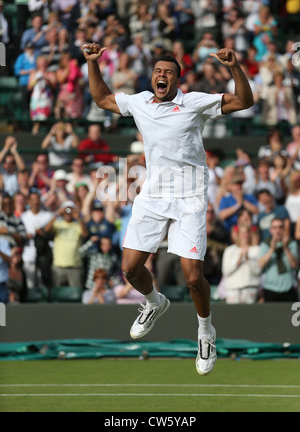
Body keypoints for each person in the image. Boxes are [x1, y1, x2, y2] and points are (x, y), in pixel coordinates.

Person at [83, 42, 254, 376]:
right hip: (153, 195)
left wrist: (235, 67)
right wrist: (92, 63)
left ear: (178, 81)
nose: (161, 76)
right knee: (130, 270)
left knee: (193, 277)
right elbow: (102, 99)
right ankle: (154, 302)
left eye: (168, 73)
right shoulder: (140, 102)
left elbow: (245, 101)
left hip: (189, 197)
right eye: (158, 71)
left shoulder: (193, 102)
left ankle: (205, 333)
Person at [44, 201, 88, 288]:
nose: (68, 213)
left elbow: (85, 234)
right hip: (59, 266)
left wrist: (78, 217)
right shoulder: (58, 224)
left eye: (71, 210)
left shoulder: (78, 225)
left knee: (76, 294)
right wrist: (57, 214)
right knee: (57, 294)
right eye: (66, 210)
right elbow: (46, 229)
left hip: (75, 266)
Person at [259, 217, 299, 302]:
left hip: (288, 288)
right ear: (270, 230)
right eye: (274, 227)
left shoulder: (291, 243)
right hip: (270, 288)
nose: (277, 230)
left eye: (280, 227)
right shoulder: (265, 244)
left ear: (284, 229)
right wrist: (272, 249)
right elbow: (260, 264)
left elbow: (294, 264)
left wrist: (286, 248)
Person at [222, 224, 261, 304]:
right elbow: (226, 271)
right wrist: (237, 262)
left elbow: (258, 271)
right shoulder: (230, 250)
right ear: (238, 235)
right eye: (242, 233)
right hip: (233, 288)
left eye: (247, 233)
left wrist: (248, 259)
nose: (245, 235)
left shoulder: (256, 249)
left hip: (250, 288)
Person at [0, 237, 12, 303]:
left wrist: (0, 252)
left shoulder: (3, 242)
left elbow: (9, 260)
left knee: (3, 311)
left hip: (2, 285)